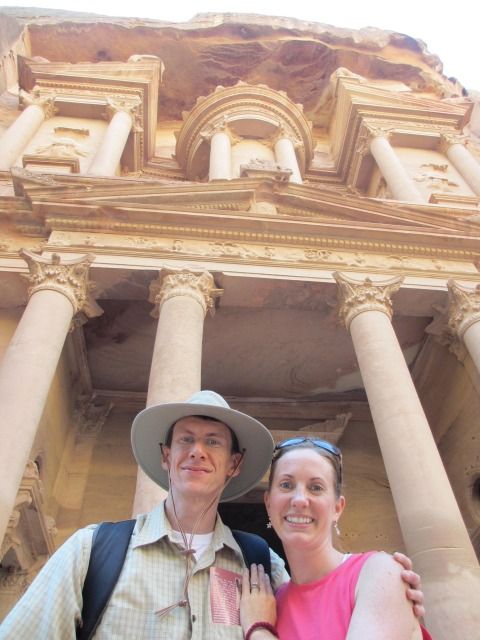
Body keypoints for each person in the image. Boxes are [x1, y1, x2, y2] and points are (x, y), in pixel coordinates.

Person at [0, 392, 424, 639]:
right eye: (185, 439)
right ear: (166, 456)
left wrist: (380, 582)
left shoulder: (263, 567)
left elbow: (321, 594)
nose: (197, 451)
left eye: (214, 442)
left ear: (235, 464)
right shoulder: (94, 550)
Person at [239, 437, 431, 640]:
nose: (299, 500)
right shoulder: (270, 603)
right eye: (286, 485)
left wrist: (259, 631)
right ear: (268, 503)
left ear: (337, 508)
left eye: (316, 488)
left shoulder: (379, 572)